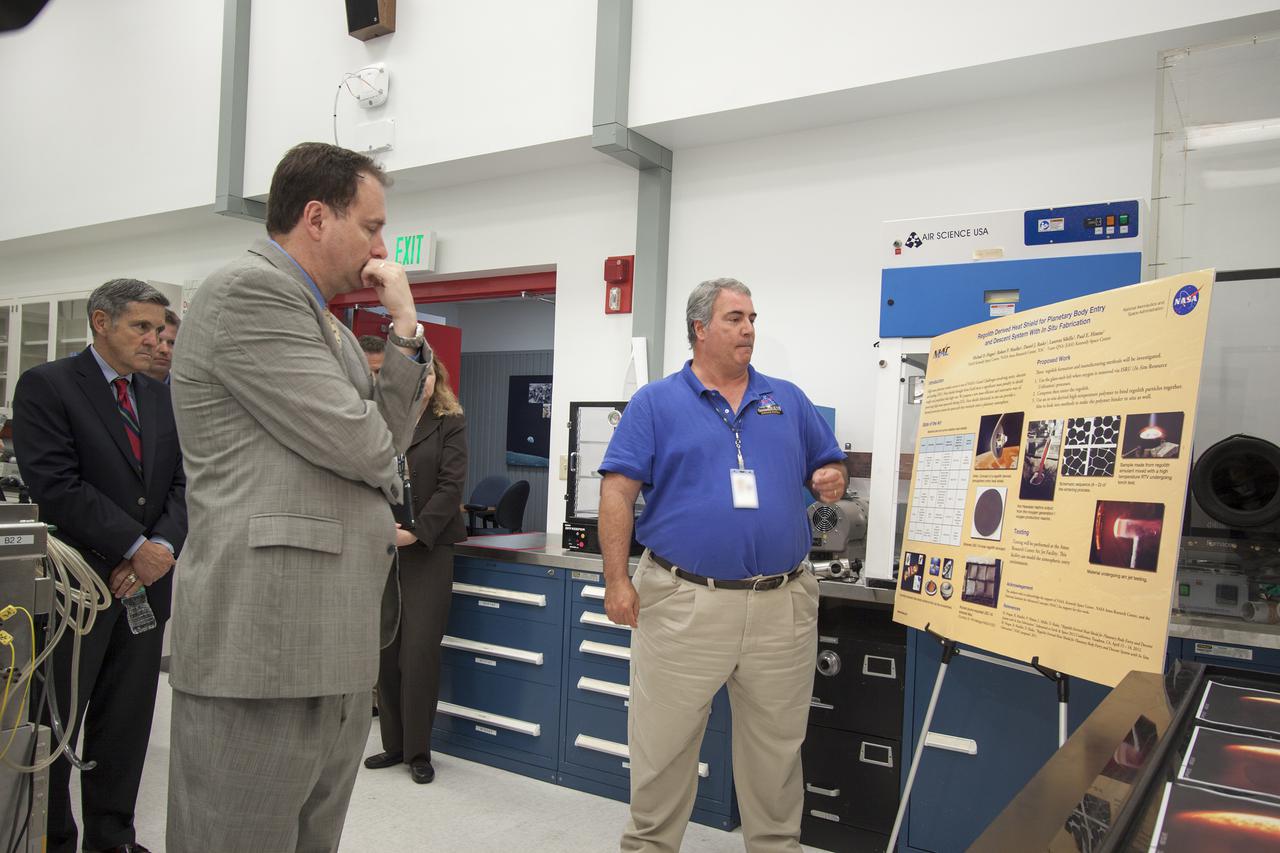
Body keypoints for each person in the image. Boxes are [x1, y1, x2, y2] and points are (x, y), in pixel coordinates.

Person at [166, 142, 430, 853]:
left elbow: (390, 435)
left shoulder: (335, 332)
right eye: (372, 226)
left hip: (329, 645)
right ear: (317, 217)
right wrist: (381, 428)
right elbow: (369, 444)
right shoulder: (247, 293)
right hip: (263, 647)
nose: (382, 246)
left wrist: (403, 328)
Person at [599, 277, 847, 853]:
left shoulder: (786, 398)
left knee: (777, 754)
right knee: (663, 751)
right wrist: (615, 580)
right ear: (700, 329)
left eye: (753, 318)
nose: (748, 329)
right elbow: (617, 493)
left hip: (782, 605)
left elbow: (829, 468)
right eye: (735, 318)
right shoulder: (656, 403)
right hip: (685, 601)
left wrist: (831, 479)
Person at [12, 278, 187, 853]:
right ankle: (54, 839)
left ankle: (112, 839)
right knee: (60, 719)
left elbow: (183, 488)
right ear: (100, 322)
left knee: (127, 723)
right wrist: (137, 546)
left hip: (144, 586)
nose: (154, 340)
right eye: (141, 327)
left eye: (159, 329)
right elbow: (56, 486)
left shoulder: (160, 396)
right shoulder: (49, 386)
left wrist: (153, 553)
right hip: (74, 590)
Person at [364, 352, 467, 784]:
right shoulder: (380, 422)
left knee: (419, 651)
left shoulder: (450, 422)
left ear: (436, 379)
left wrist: (416, 531)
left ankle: (420, 751)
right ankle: (394, 744)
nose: (421, 383)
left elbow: (451, 486)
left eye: (428, 376)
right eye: (414, 377)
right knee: (387, 649)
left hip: (428, 548)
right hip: (383, 546)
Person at [143, 308, 180, 383]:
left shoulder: (185, 391)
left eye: (172, 343)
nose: (165, 350)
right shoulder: (121, 388)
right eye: (158, 340)